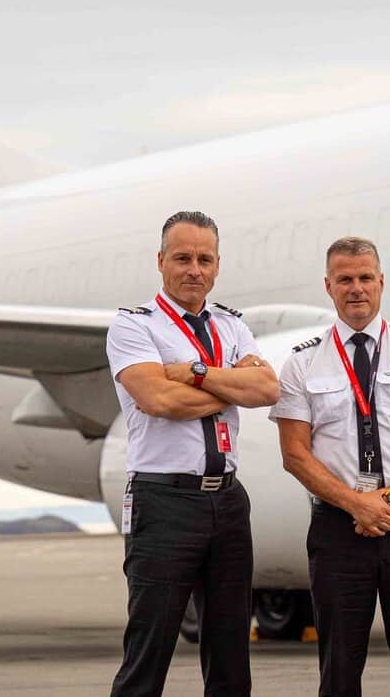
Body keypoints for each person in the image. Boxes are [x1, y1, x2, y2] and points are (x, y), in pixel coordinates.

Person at [270, 236, 390, 697]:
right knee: (339, 665)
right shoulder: (302, 362)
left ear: (381, 282)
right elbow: (294, 453)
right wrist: (357, 505)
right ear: (328, 286)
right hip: (338, 529)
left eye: (364, 278)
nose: (356, 288)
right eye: (344, 280)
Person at [106, 210, 280, 697]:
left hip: (227, 501)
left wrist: (197, 373)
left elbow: (267, 389)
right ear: (160, 261)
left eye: (205, 259)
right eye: (182, 258)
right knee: (150, 647)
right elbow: (160, 400)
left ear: (217, 265)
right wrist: (232, 388)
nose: (194, 270)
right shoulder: (134, 326)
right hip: (165, 501)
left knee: (230, 652)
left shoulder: (231, 325)